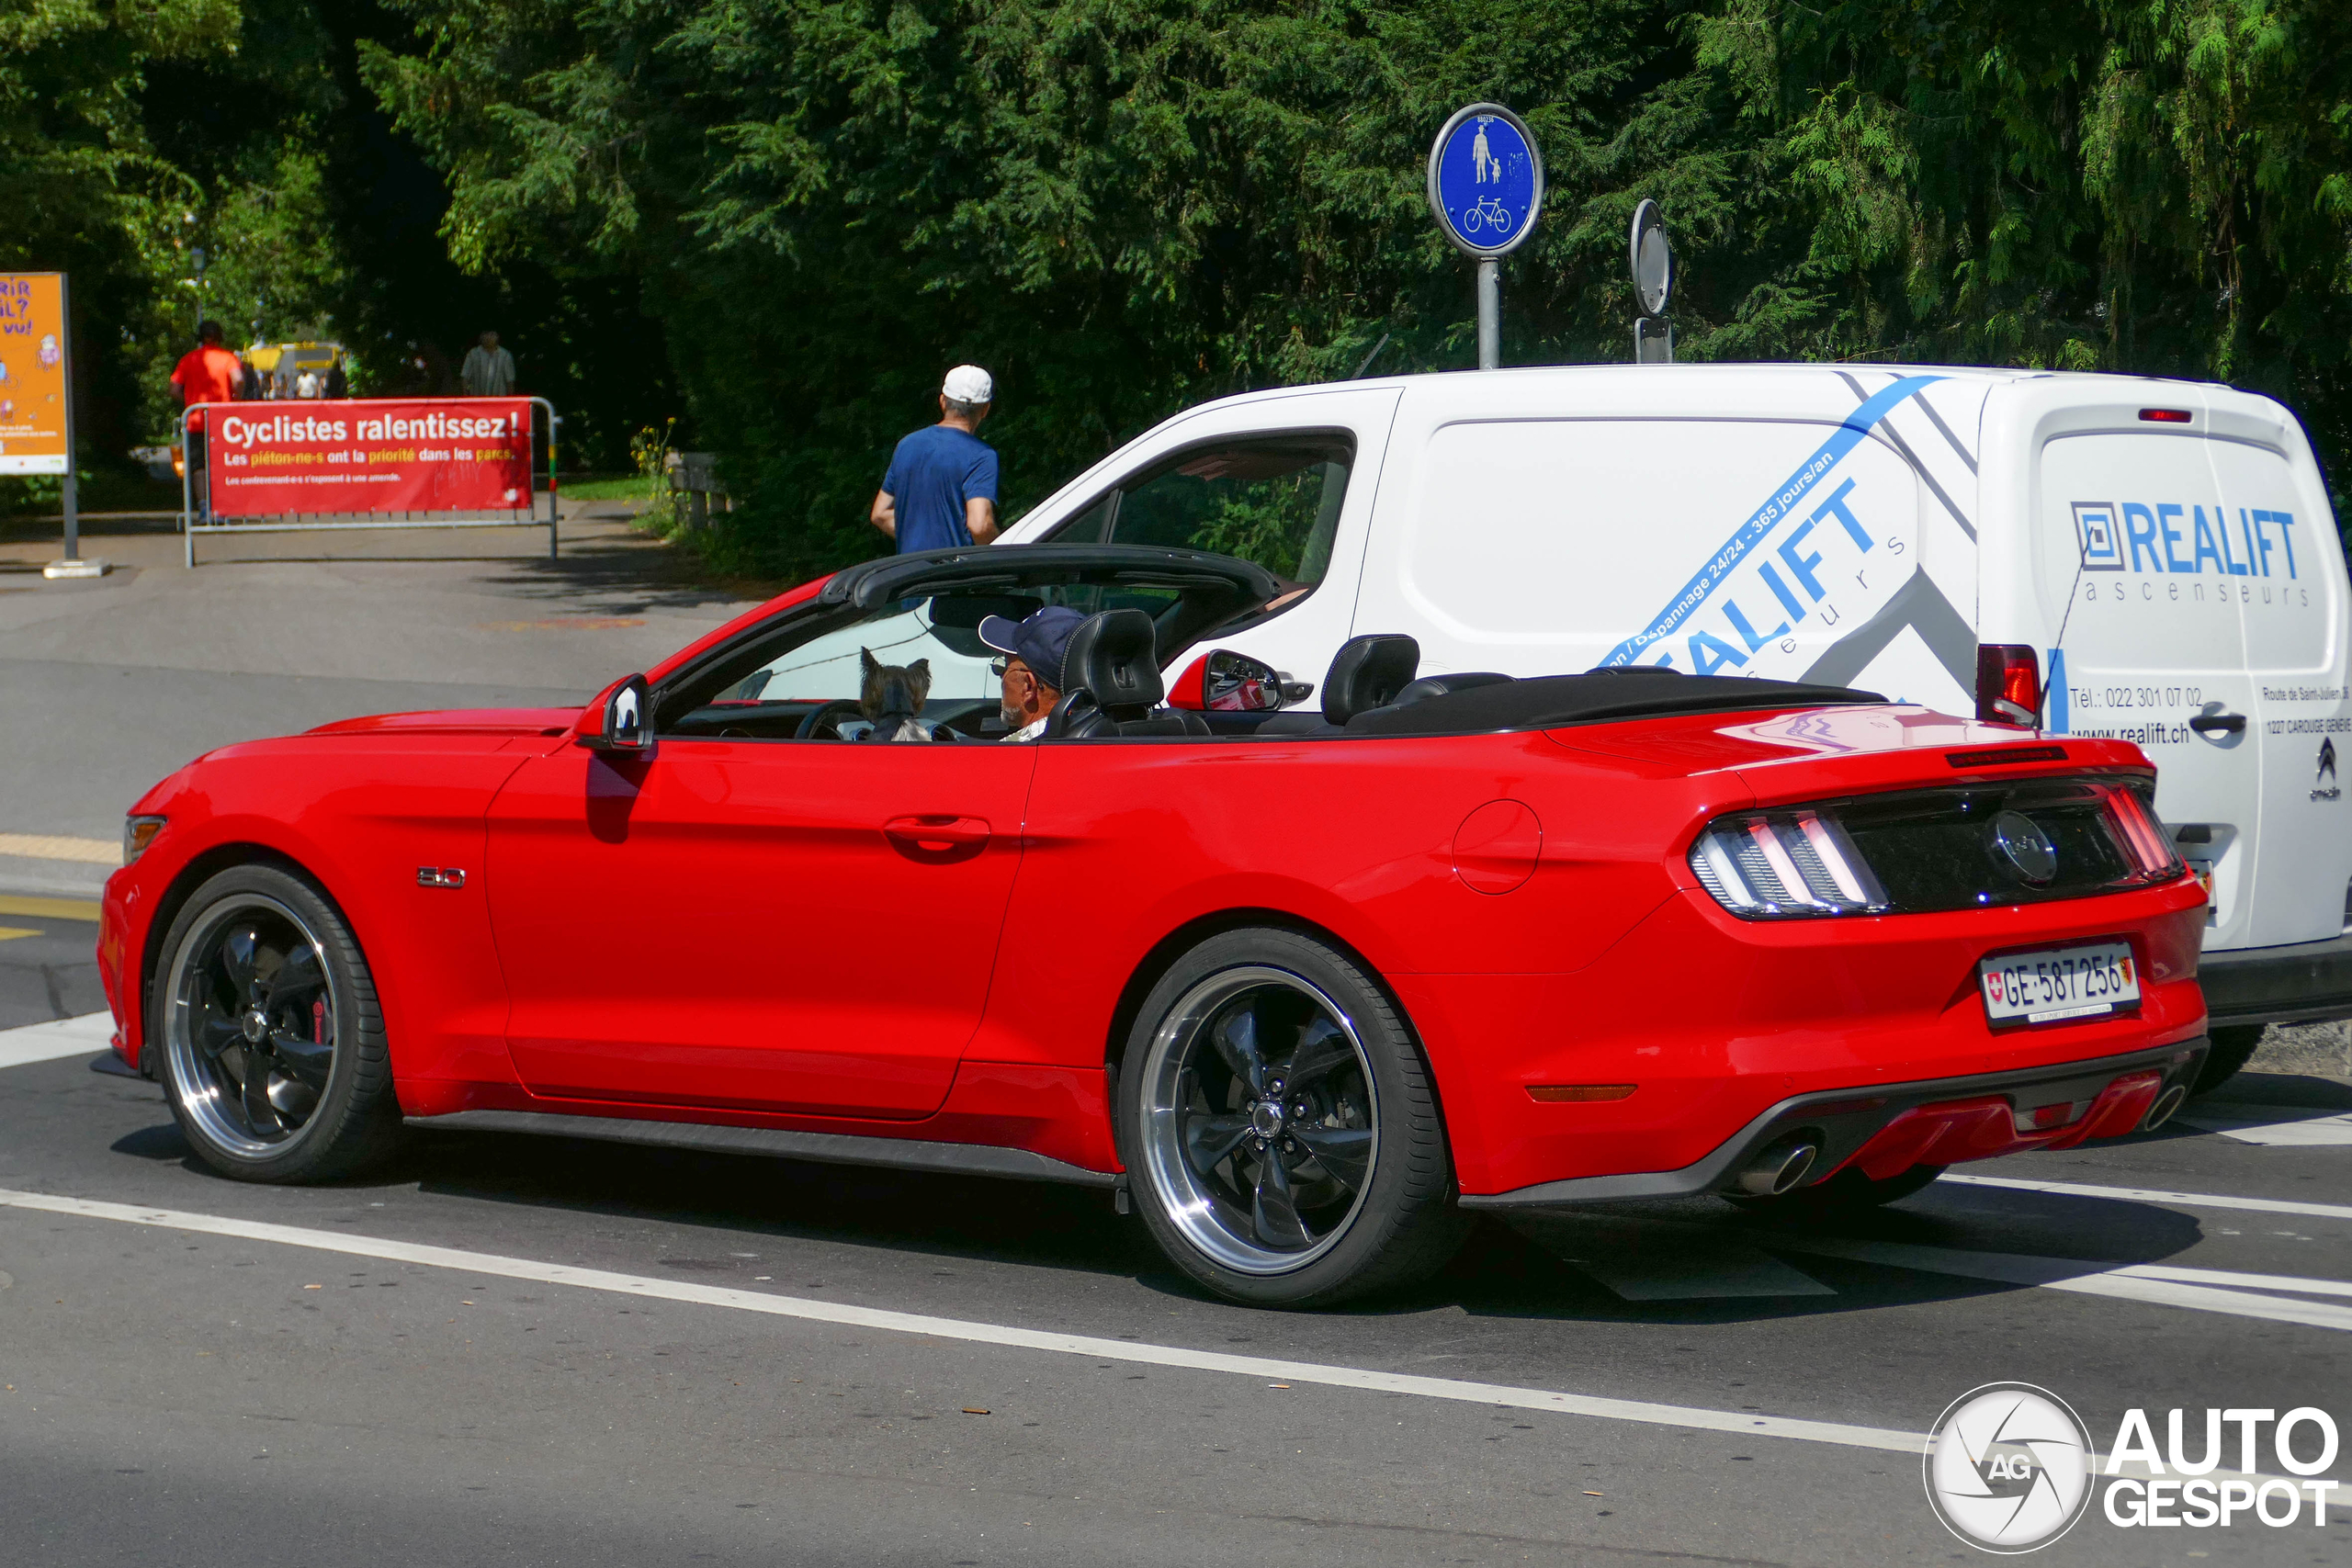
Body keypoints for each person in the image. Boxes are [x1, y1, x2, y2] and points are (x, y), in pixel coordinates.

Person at [870, 365, 1000, 552]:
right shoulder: (981, 455)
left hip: (910, 574)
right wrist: (1002, 556)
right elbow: (980, 526)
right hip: (954, 576)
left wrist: (919, 542)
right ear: (985, 409)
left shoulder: (907, 445)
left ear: (943, 401)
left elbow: (880, 514)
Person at [169, 321, 245, 517]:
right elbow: (238, 380)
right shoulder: (228, 358)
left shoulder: (188, 360)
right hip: (222, 422)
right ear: (220, 336)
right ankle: (220, 507)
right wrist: (236, 399)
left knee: (198, 466)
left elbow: (174, 389)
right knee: (221, 463)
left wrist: (188, 401)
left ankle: (204, 507)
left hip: (195, 421)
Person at [978, 604, 1082, 741]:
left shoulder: (1008, 758)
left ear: (1028, 687)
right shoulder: (1108, 733)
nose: (1001, 676)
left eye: (1002, 667)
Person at [461, 330, 516, 396]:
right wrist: (466, 396)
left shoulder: (505, 355)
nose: (488, 337)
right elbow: (465, 377)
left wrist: (510, 400)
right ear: (481, 337)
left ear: (497, 336)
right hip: (477, 399)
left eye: (492, 334)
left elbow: (510, 381)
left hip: (499, 401)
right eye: (486, 334)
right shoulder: (473, 354)